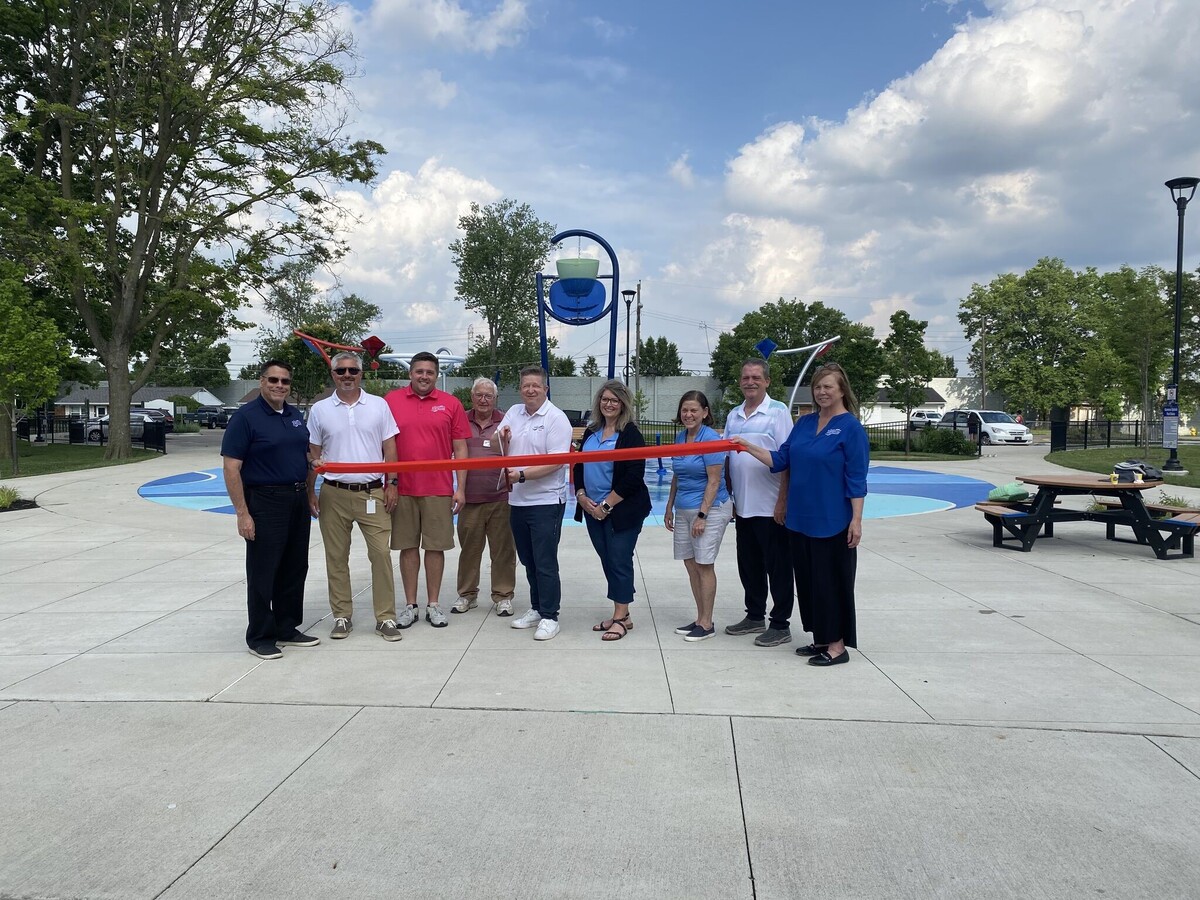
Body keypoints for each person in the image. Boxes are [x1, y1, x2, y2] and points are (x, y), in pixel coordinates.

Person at [730, 362, 868, 667]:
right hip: (799, 519)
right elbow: (780, 460)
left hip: (832, 520)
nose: (821, 392)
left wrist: (856, 520)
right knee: (807, 582)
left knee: (831, 582)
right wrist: (746, 446)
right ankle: (819, 637)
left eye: (827, 386)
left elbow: (856, 478)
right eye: (817, 387)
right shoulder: (805, 424)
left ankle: (836, 645)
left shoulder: (851, 428)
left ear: (842, 389)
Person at [221, 360, 321, 659]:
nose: (280, 386)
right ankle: (261, 636)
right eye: (273, 380)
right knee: (264, 570)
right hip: (265, 500)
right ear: (261, 381)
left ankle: (286, 627)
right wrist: (242, 512)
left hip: (296, 498)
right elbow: (231, 467)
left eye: (285, 381)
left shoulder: (293, 415)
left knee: (294, 566)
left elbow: (303, 454)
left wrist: (312, 472)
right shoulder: (246, 417)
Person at [307, 352, 402, 642]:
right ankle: (341, 615)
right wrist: (311, 490)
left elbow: (390, 448)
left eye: (352, 370)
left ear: (361, 374)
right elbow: (313, 452)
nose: (347, 375)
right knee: (336, 557)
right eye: (341, 371)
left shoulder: (379, 406)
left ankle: (385, 617)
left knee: (381, 555)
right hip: (335, 493)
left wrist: (392, 482)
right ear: (333, 374)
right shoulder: (320, 410)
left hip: (371, 492)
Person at [385, 351, 470, 629]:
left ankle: (433, 604)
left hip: (438, 488)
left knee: (435, 547)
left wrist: (461, 488)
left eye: (429, 372)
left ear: (436, 375)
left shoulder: (450, 403)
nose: (424, 376)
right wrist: (390, 483)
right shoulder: (391, 401)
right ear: (410, 373)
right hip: (403, 488)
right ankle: (410, 605)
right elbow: (384, 445)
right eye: (419, 371)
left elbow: (461, 448)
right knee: (407, 547)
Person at [572, 379, 653, 641]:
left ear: (623, 404)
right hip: (592, 508)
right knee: (608, 559)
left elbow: (633, 475)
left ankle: (619, 617)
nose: (609, 404)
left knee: (619, 558)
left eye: (614, 400)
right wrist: (582, 496)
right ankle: (624, 614)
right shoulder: (592, 431)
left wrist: (606, 505)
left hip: (622, 509)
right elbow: (579, 466)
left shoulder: (630, 433)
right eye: (605, 399)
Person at [723, 358, 796, 647]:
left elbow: (787, 460)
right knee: (749, 565)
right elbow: (728, 457)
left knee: (777, 568)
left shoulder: (778, 412)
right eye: (745, 377)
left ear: (767, 381)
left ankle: (780, 623)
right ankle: (754, 615)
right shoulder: (734, 415)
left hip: (770, 507)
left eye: (756, 377)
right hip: (743, 505)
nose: (750, 382)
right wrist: (729, 498)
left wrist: (782, 501)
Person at [499, 366, 573, 641]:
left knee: (544, 561)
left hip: (545, 500)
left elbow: (556, 461)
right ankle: (537, 608)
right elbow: (498, 447)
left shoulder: (556, 418)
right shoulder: (513, 413)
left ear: (546, 388)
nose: (530, 390)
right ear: (520, 389)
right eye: (526, 385)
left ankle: (551, 616)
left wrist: (521, 475)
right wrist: (503, 440)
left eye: (536, 386)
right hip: (517, 500)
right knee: (528, 559)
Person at [664, 391, 732, 642]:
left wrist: (702, 515)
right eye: (685, 410)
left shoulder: (711, 439)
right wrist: (669, 506)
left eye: (694, 410)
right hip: (683, 508)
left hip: (710, 509)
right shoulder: (680, 438)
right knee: (690, 564)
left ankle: (707, 622)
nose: (688, 415)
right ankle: (700, 617)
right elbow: (677, 475)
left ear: (705, 412)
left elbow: (714, 481)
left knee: (704, 564)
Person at [453, 377, 517, 617]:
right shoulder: (460, 421)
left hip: (501, 498)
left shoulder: (506, 422)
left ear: (495, 399)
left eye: (488, 396)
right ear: (472, 397)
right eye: (479, 395)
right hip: (470, 499)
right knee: (469, 550)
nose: (483, 400)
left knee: (503, 551)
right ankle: (467, 594)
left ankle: (503, 596)